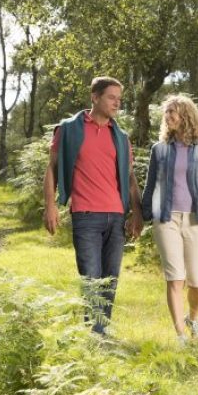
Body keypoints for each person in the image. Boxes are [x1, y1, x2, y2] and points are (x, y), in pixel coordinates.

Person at [43, 77, 144, 335]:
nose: (117, 103)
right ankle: (95, 336)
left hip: (116, 217)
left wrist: (136, 213)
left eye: (120, 99)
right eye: (112, 97)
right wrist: (51, 206)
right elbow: (52, 169)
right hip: (86, 216)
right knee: (91, 277)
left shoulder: (121, 137)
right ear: (95, 97)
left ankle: (100, 331)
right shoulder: (69, 130)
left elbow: (130, 177)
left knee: (110, 280)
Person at [140, 94, 198, 344]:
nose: (168, 117)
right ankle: (179, 335)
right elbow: (150, 185)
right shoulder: (160, 149)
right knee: (175, 277)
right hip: (166, 219)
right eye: (166, 113)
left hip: (197, 220)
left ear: (186, 116)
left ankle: (192, 318)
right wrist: (143, 215)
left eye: (172, 112)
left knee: (197, 282)